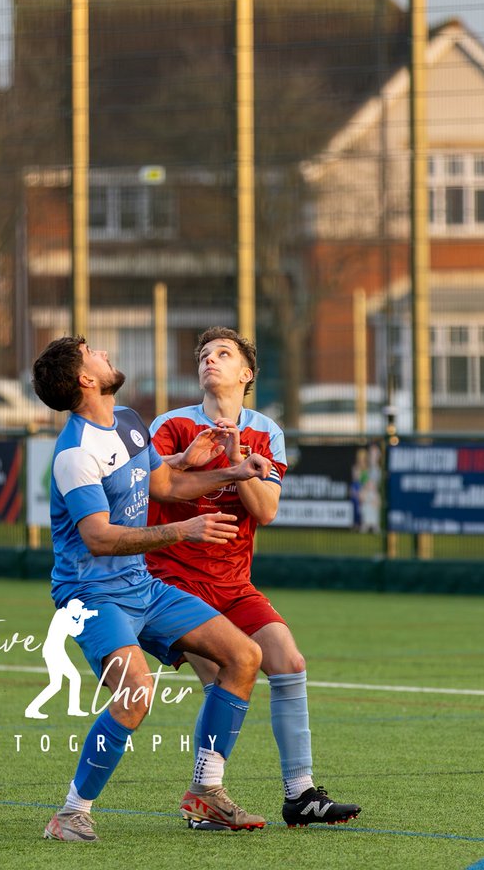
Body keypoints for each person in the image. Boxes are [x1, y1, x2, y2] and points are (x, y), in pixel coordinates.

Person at [31, 336, 273, 842]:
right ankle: (71, 813)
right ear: (85, 379)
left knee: (244, 657)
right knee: (136, 691)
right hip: (92, 596)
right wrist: (183, 531)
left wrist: (229, 470)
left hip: (141, 583)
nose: (102, 351)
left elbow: (164, 486)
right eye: (91, 351)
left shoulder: (129, 421)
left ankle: (206, 792)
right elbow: (98, 538)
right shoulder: (75, 454)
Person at [147, 326, 361, 828]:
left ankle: (301, 794)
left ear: (246, 374)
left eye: (223, 354)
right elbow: (162, 489)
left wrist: (238, 453)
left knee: (288, 661)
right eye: (203, 354)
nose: (209, 361)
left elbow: (264, 510)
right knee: (226, 671)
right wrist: (216, 463)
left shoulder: (265, 430)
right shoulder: (172, 425)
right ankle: (207, 796)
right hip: (173, 578)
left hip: (234, 582)